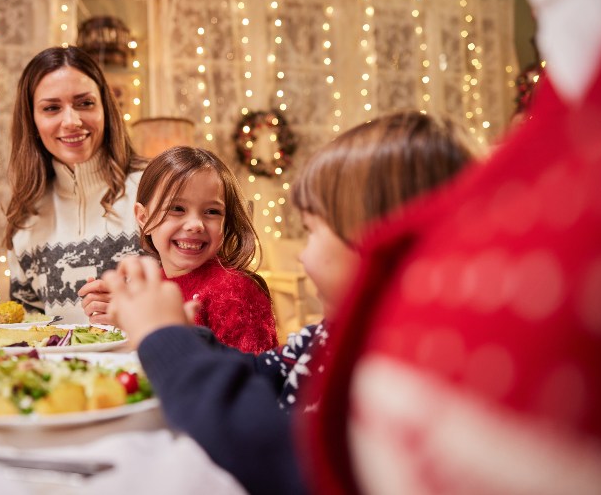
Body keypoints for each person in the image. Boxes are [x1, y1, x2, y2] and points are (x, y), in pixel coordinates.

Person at [302, 0, 601, 493]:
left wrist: (175, 346)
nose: (303, 249)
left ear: (372, 232)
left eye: (309, 228)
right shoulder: (316, 335)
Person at [101, 112, 480, 494]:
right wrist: (182, 334)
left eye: (311, 231)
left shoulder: (395, 369)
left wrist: (165, 336)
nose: (301, 256)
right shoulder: (330, 338)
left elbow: (268, 448)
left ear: (378, 243)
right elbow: (261, 370)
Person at [4, 46, 148, 323]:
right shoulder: (24, 217)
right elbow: (27, 328)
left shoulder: (156, 187)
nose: (71, 121)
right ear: (32, 120)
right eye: (52, 108)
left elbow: (206, 295)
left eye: (85, 103)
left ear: (105, 107)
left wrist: (135, 308)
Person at [137, 146, 280, 353]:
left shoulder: (234, 293)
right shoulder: (153, 286)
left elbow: (247, 380)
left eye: (212, 211)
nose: (195, 224)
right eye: (177, 209)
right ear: (143, 218)